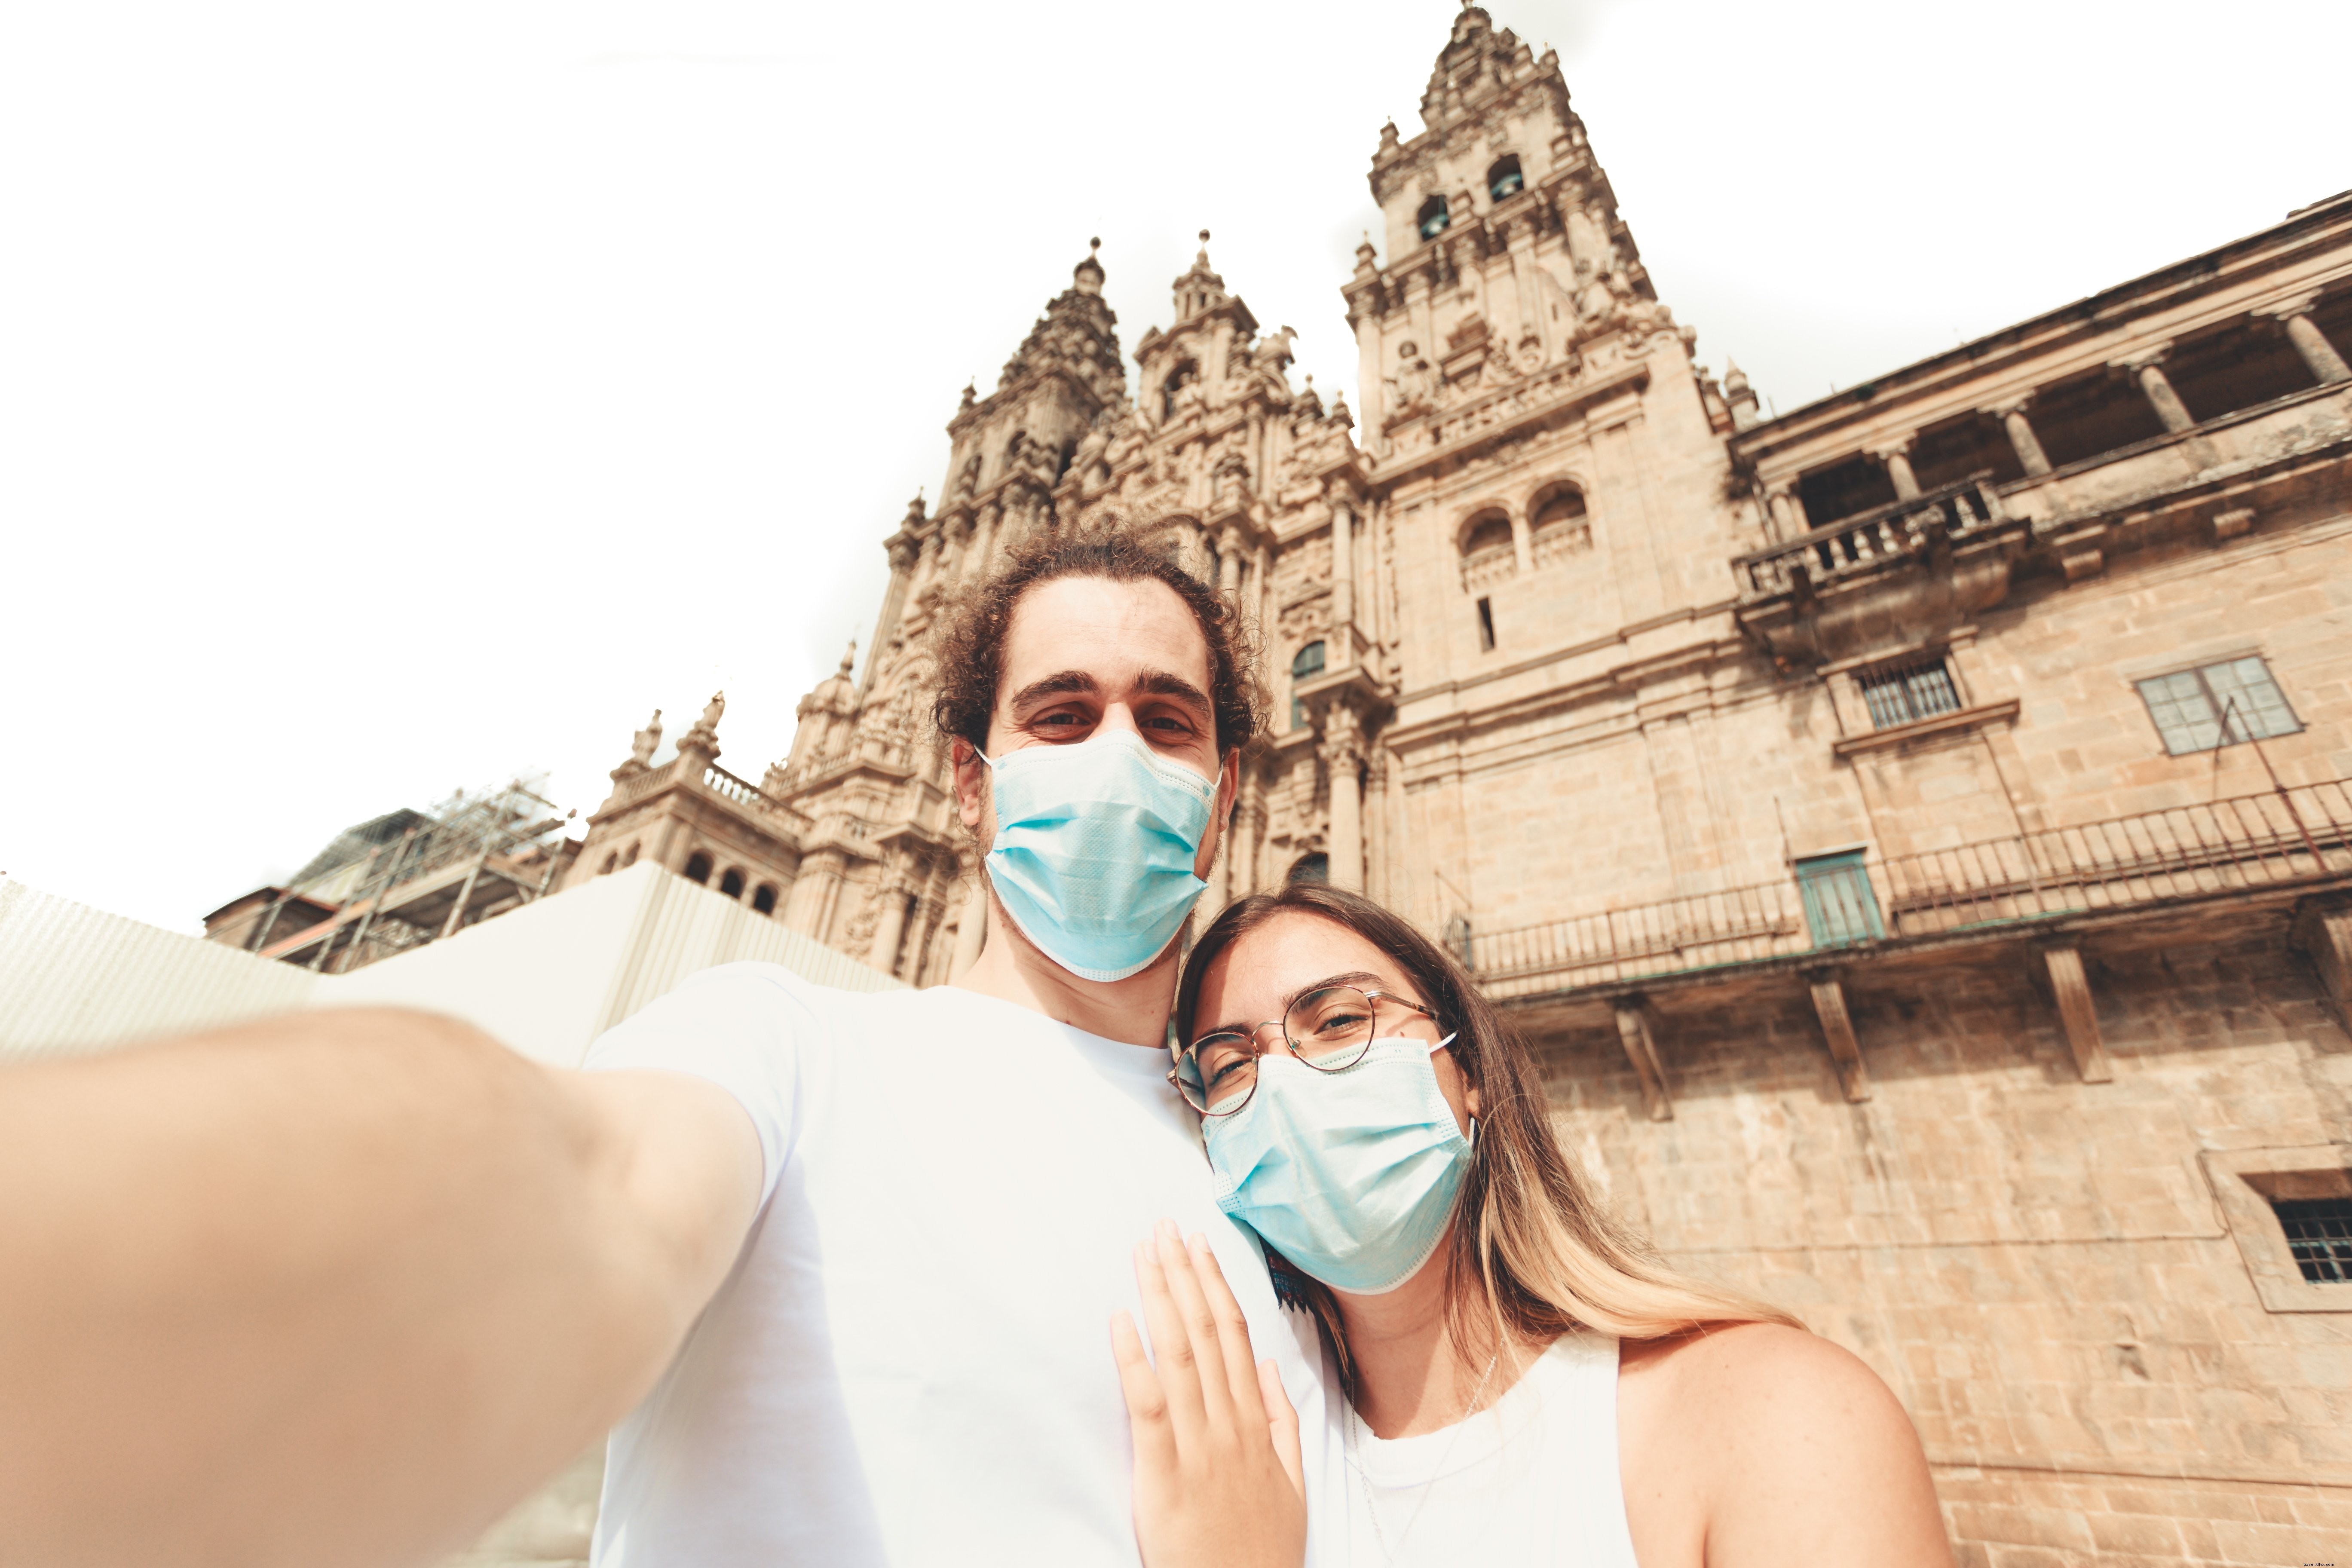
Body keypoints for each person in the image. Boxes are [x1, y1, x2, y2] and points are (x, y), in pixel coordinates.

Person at [0, 527, 1327, 1568]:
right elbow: (578, 1186)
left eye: (1166, 721)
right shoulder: (790, 1050)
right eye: (1059, 714)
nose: (1112, 754)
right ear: (969, 783)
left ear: (1221, 801)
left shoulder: (1291, 1180)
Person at [1132, 881, 1953, 1568]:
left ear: (1470, 1071)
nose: (1284, 1084)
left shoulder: (1776, 1421)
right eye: (1231, 1065)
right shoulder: (1242, 1462)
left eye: (1342, 1021)